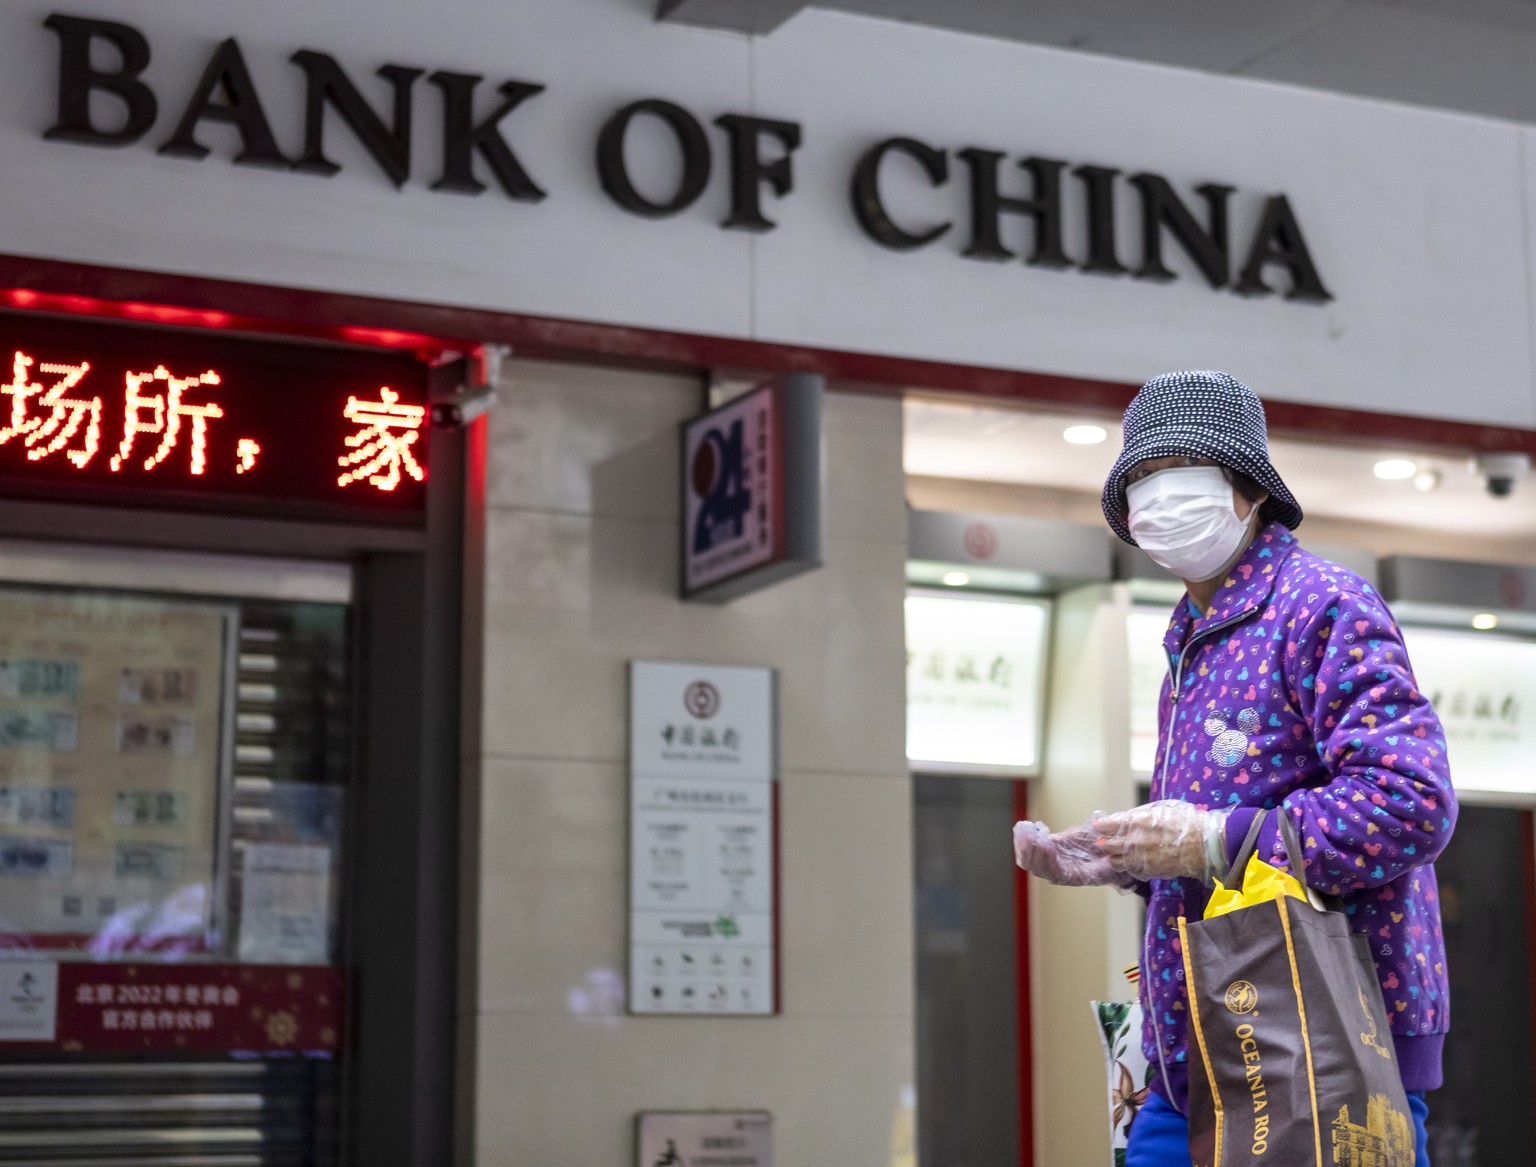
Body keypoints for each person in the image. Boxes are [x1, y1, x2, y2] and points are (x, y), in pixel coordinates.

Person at [1013, 371, 1454, 1167]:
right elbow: (1217, 846)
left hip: (1325, 1056)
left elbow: (1412, 801)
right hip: (1196, 1059)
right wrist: (1126, 856)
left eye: (1179, 470)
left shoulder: (1322, 605)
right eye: (1138, 480)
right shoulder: (1189, 635)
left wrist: (1215, 838)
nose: (1158, 498)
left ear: (1249, 486)